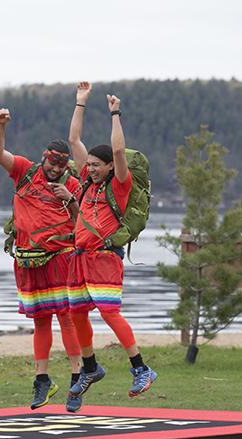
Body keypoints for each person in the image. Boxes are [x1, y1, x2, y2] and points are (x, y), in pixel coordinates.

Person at [65, 82, 158, 413]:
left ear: (107, 168)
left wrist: (115, 113)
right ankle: (91, 368)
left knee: (109, 312)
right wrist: (81, 102)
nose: (89, 168)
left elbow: (118, 151)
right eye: (88, 164)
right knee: (75, 313)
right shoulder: (87, 184)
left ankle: (141, 368)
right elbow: (74, 140)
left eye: (95, 165)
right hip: (80, 259)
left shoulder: (118, 185)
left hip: (105, 258)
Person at [0, 107, 83, 410]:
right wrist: (0, 126)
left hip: (60, 257)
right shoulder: (25, 171)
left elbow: (84, 220)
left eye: (60, 166)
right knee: (40, 321)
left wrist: (68, 199)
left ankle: (76, 378)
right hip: (28, 260)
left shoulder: (71, 185)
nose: (55, 170)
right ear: (43, 158)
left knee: (66, 319)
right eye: (51, 164)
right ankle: (42, 380)